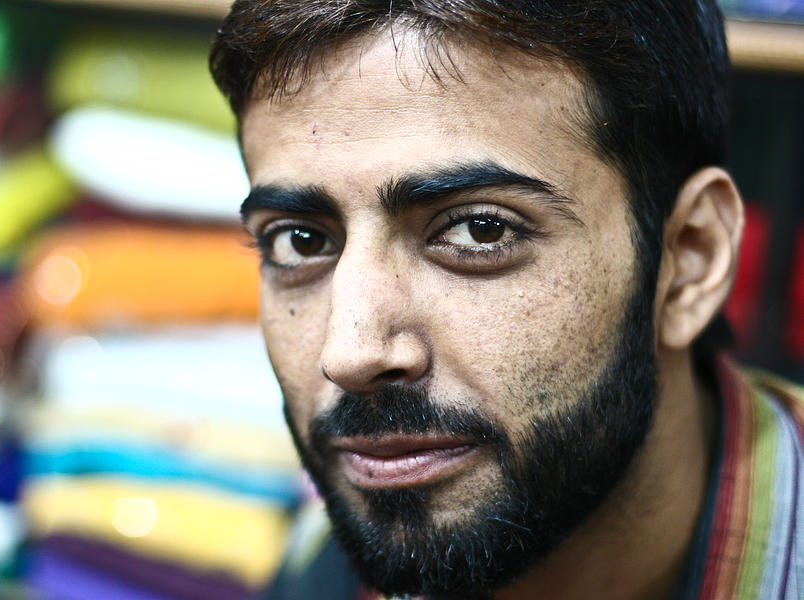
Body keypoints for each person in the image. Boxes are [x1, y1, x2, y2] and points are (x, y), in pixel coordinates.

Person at [209, 1, 804, 598]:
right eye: (300, 240)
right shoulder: (325, 560)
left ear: (689, 261)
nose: (350, 354)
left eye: (480, 230)